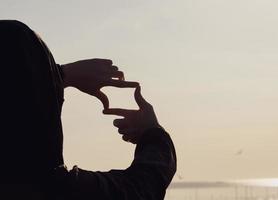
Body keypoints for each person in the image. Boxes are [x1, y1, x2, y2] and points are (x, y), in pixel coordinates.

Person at [0, 20, 176, 200]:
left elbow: (12, 91)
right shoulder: (53, 189)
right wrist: (153, 134)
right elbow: (141, 187)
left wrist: (61, 75)